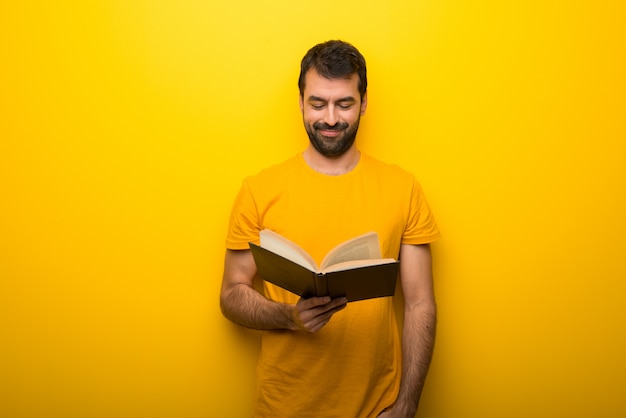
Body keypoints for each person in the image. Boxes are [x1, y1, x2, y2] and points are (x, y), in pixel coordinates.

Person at [220, 40, 440, 418]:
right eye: (318, 103)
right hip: (283, 407)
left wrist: (406, 405)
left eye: (344, 103)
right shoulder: (259, 190)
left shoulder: (403, 188)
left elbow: (420, 304)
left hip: (376, 406)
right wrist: (289, 317)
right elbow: (231, 295)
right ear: (301, 103)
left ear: (364, 103)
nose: (331, 119)